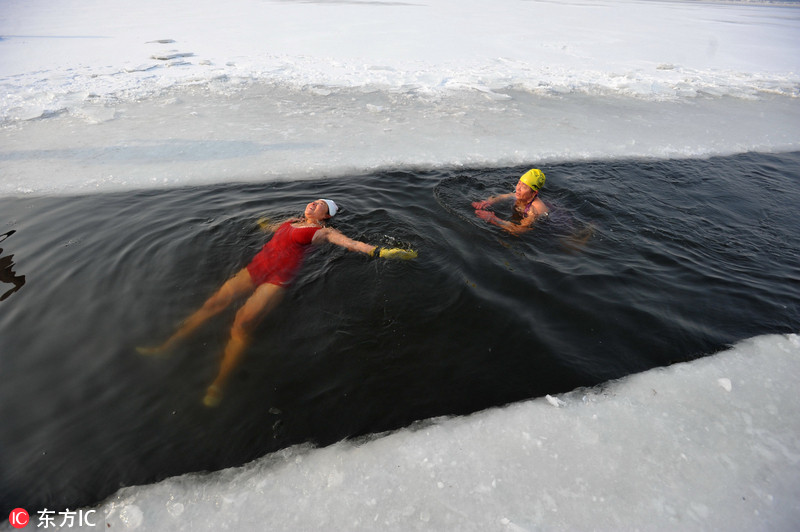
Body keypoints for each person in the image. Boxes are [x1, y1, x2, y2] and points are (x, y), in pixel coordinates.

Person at [138, 198, 416, 407]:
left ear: (326, 215)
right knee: (211, 305)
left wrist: (381, 251)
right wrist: (261, 223)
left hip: (276, 281)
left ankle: (218, 383)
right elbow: (270, 226)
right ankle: (166, 346)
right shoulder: (291, 221)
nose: (313, 203)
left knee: (242, 324)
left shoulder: (322, 232)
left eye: (320, 204)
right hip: (254, 269)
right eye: (314, 200)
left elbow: (352, 244)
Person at [472, 168, 549, 235]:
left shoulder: (534, 210)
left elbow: (519, 230)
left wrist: (493, 219)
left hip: (553, 227)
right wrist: (487, 202)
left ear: (534, 193)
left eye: (524, 187)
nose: (518, 188)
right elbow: (502, 196)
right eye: (519, 183)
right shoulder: (522, 195)